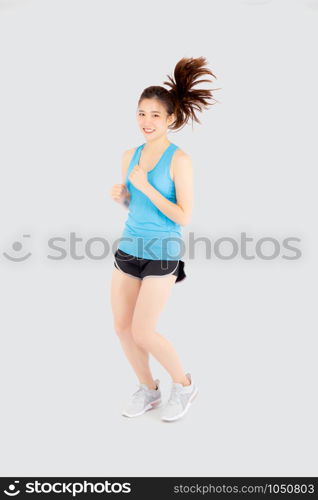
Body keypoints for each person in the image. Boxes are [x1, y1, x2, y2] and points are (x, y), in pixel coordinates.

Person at [110, 57, 217, 422]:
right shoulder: (130, 156)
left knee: (144, 330)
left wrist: (144, 188)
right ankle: (149, 390)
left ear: (171, 119)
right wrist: (123, 195)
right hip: (128, 247)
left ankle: (184, 385)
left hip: (162, 251)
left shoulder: (180, 159)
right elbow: (134, 205)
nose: (146, 122)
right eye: (141, 113)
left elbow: (183, 216)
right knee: (123, 329)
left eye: (155, 115)